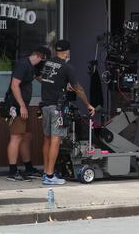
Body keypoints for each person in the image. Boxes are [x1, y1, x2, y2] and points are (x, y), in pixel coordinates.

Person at [40, 40, 95, 185]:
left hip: (45, 106)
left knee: (47, 139)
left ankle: (46, 172)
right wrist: (88, 104)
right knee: (55, 140)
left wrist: (62, 86)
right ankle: (51, 176)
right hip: (57, 109)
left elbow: (45, 79)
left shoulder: (48, 63)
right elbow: (79, 89)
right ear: (67, 51)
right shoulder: (67, 67)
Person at [5, 46, 50, 181]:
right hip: (16, 106)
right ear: (41, 56)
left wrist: (60, 84)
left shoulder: (31, 67)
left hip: (23, 105)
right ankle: (12, 172)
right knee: (16, 137)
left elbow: (41, 79)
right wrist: (22, 106)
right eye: (44, 59)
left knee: (26, 136)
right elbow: (14, 85)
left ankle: (28, 168)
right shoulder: (23, 64)